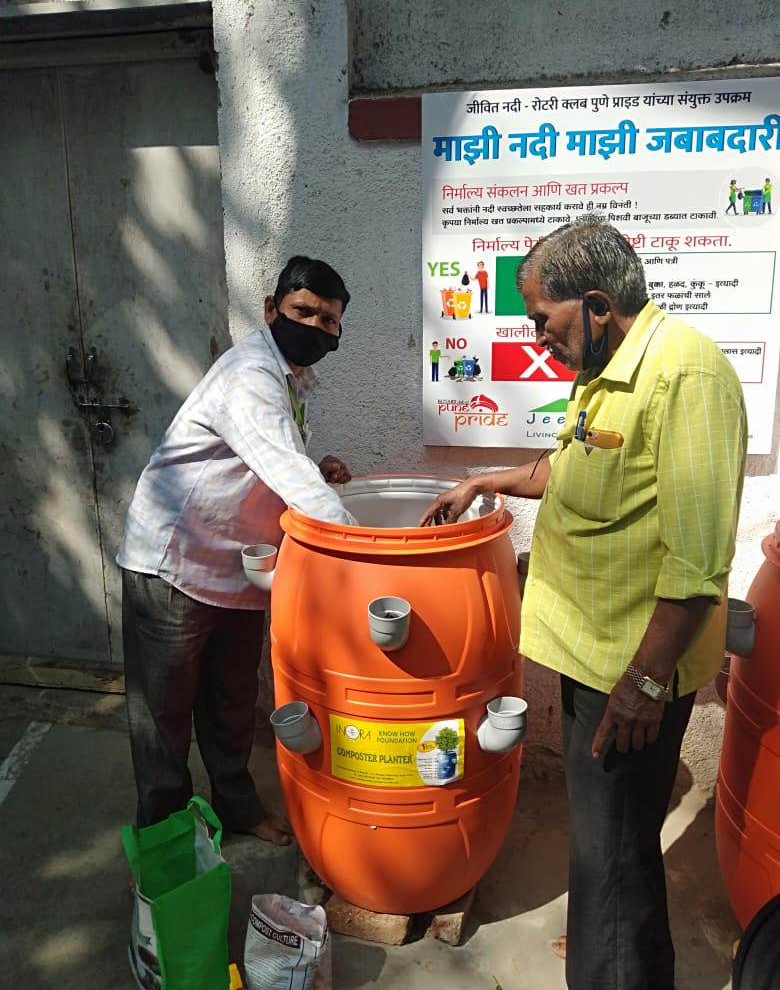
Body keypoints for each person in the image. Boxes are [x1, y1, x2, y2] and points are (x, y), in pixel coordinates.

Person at [419, 216, 747, 990]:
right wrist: (486, 480)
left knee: (619, 860)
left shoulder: (685, 376)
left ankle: (619, 972)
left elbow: (699, 563)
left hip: (631, 673)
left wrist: (643, 682)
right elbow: (571, 470)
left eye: (543, 319)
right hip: (596, 661)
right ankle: (609, 956)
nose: (538, 337)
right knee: (607, 850)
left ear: (596, 304)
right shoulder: (606, 375)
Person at [118, 255, 357, 846]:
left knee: (230, 705)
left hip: (239, 569)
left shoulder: (292, 377)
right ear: (272, 310)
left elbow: (274, 456)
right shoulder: (250, 374)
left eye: (330, 321)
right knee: (163, 722)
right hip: (174, 563)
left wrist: (314, 466)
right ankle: (166, 845)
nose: (317, 327)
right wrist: (370, 549)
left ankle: (237, 808)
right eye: (304, 312)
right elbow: (282, 468)